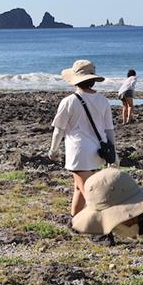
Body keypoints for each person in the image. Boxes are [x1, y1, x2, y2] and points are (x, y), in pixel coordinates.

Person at [48, 59, 116, 215]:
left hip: (79, 153)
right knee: (79, 188)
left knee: (91, 196)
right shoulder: (103, 100)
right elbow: (109, 130)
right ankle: (74, 222)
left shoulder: (69, 101)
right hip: (99, 152)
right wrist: (114, 155)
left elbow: (59, 130)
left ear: (75, 81)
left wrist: (53, 150)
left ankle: (104, 233)